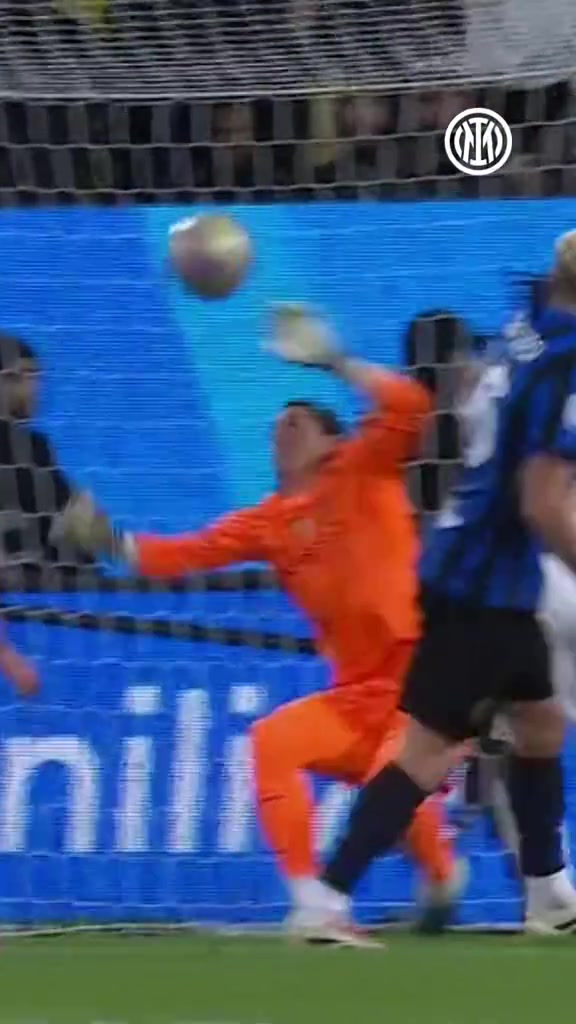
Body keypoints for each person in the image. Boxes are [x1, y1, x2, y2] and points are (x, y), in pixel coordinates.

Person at [52, 304, 460, 942]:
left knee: (396, 783)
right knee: (274, 742)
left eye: (297, 422)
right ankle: (314, 901)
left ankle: (438, 880)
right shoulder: (267, 522)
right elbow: (181, 555)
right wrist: (110, 540)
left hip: (422, 679)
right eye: (276, 426)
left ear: (333, 442)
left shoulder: (363, 469)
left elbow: (411, 405)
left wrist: (334, 360)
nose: (282, 432)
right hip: (357, 693)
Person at [299, 232, 576, 939]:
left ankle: (548, 892)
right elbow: (543, 502)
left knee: (541, 723)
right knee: (427, 751)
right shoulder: (564, 363)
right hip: (480, 582)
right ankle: (326, 900)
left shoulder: (523, 331)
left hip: (486, 572)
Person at [0, 333, 93, 697]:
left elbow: (72, 536)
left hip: (47, 613)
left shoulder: (35, 449)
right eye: (30, 377)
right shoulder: (31, 450)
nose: (37, 389)